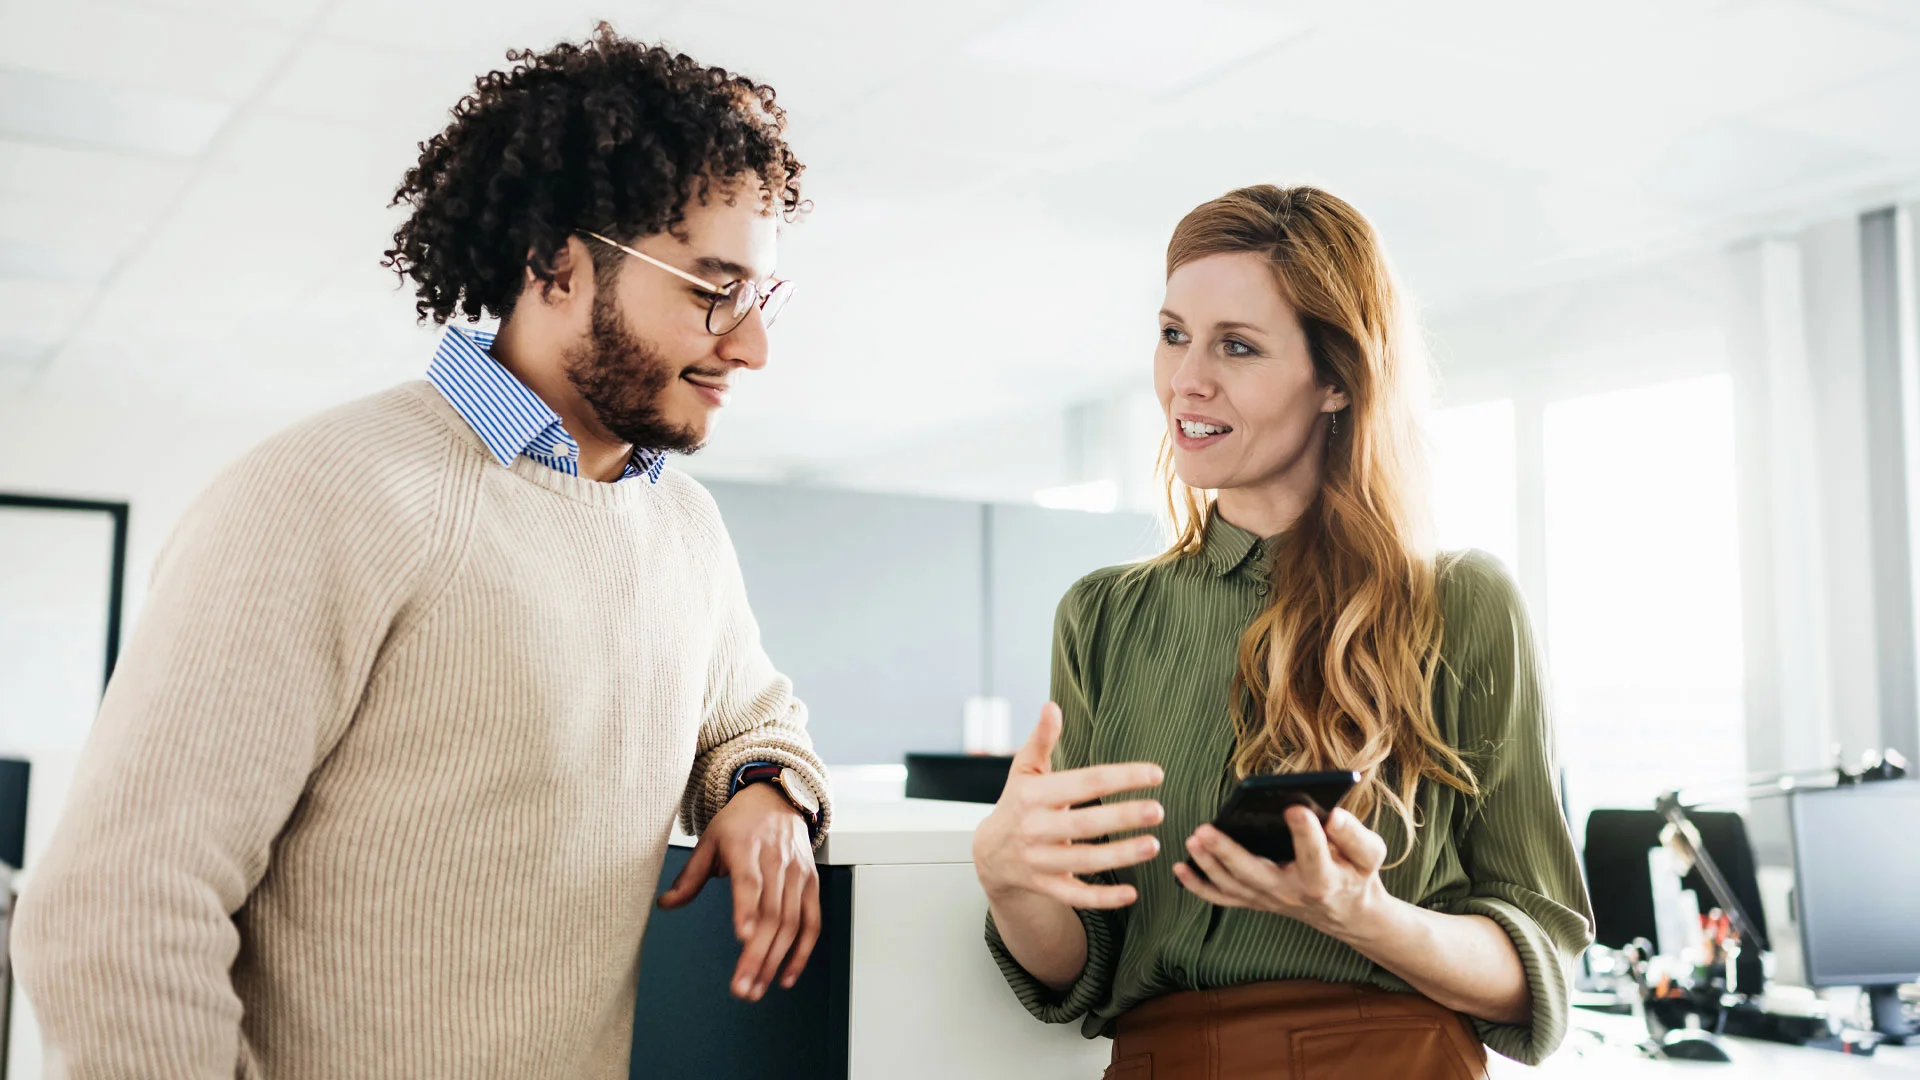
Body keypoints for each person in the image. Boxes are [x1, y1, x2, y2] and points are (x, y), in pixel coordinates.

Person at [13, 27, 830, 1080]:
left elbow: (756, 718)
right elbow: (114, 912)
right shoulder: (322, 494)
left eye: (763, 297)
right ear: (556, 263)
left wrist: (765, 789)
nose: (752, 346)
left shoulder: (684, 529)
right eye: (713, 290)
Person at [971, 185, 1593, 1079]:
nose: (1186, 379)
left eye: (1238, 345)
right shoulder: (1103, 615)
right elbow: (1085, 966)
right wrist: (1008, 879)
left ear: (1336, 380)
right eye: (1174, 333)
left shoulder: (1462, 603)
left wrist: (1362, 914)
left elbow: (1538, 973)